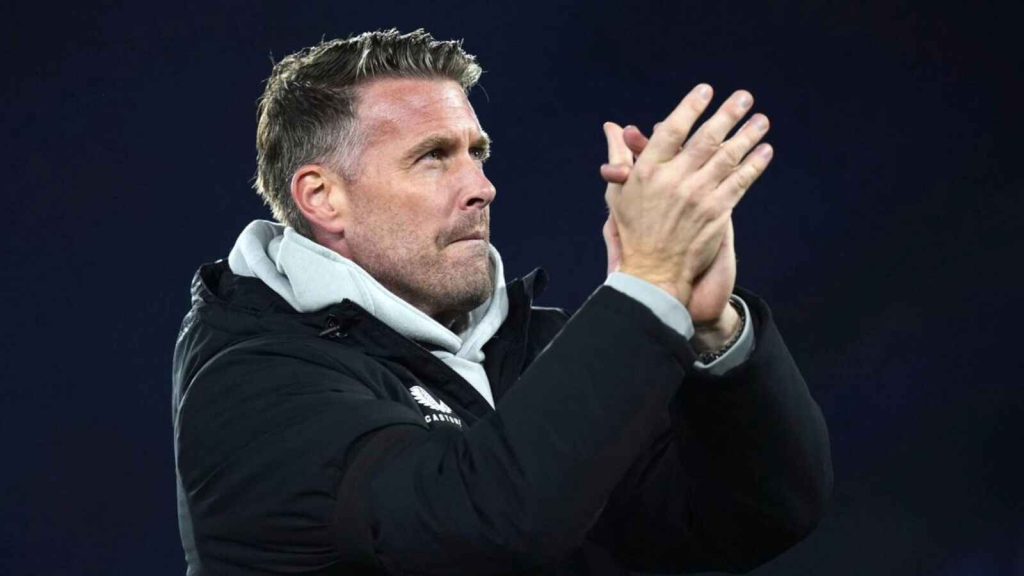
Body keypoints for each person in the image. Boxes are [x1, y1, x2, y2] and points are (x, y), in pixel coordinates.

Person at [172, 28, 832, 575]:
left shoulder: (530, 350)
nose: (481, 187)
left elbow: (756, 515)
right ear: (323, 198)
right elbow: (485, 526)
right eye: (433, 157)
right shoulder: (253, 385)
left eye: (477, 153)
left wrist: (708, 326)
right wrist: (645, 286)